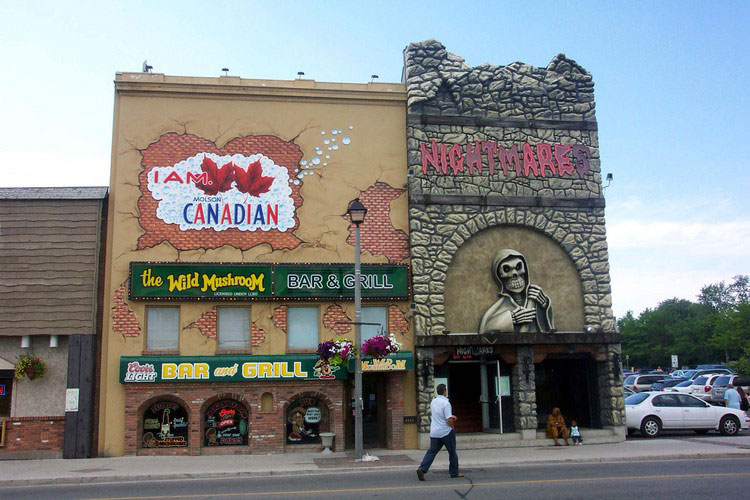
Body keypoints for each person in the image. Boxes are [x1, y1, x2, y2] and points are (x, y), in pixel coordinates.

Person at [478, 249, 554, 334]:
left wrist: (544, 305)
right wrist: (511, 319)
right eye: (506, 269)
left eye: (518, 267)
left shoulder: (535, 298)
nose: (514, 274)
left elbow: (549, 331)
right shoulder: (498, 307)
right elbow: (485, 332)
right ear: (499, 277)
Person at [417, 383, 463, 480]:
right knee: (452, 453)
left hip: (435, 431)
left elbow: (439, 415)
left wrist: (451, 417)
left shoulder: (433, 401)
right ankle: (454, 472)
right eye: (446, 390)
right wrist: (452, 427)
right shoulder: (446, 403)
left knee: (432, 452)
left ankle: (422, 468)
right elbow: (448, 420)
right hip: (446, 432)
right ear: (444, 391)